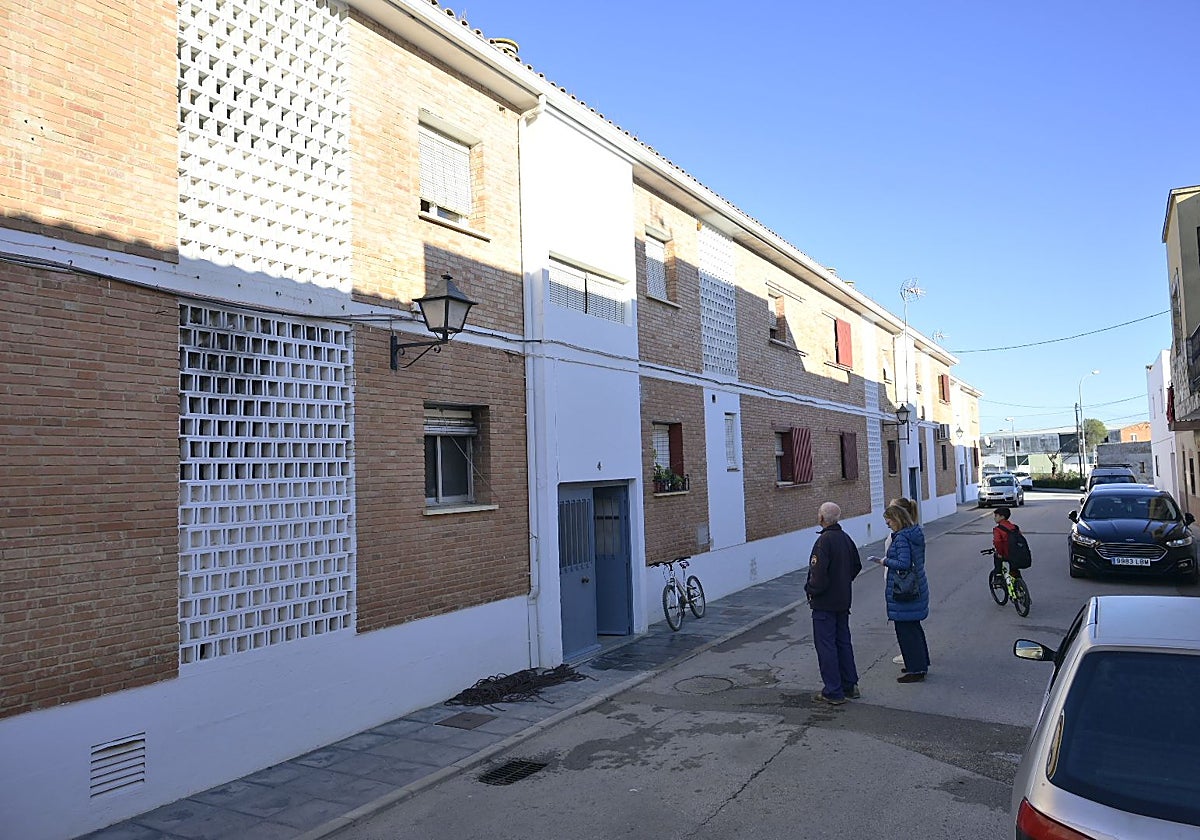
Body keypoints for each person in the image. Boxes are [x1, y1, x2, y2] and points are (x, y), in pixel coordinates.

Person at [804, 501, 863, 705]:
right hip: (842, 600)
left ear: (821, 518)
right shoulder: (846, 539)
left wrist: (811, 591)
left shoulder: (823, 542)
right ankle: (849, 684)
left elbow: (817, 575)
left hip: (825, 603)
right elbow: (856, 565)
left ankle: (833, 691)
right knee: (843, 642)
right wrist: (843, 582)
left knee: (826, 646)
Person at [876, 503, 930, 683]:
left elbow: (904, 563)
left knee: (906, 630)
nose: (888, 525)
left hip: (906, 590)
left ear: (896, 519)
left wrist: (884, 561)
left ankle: (916, 669)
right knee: (914, 628)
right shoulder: (914, 533)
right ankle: (919, 663)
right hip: (917, 586)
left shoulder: (900, 538)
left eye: (888, 521)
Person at [992, 506, 1022, 580]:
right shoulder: (1015, 527)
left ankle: (998, 575)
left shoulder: (998, 529)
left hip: (1007, 554)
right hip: (1018, 553)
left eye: (996, 516)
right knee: (1014, 569)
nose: (994, 518)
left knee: (997, 557)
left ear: (1002, 517)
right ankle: (1016, 577)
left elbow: (997, 542)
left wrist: (1000, 553)